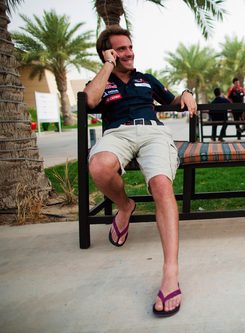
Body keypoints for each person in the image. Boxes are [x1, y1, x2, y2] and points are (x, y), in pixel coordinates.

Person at [83, 27, 196, 318]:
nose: (129, 53)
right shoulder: (101, 81)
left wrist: (186, 93)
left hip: (152, 132)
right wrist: (107, 66)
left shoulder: (146, 79)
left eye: (130, 47)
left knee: (161, 184)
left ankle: (170, 272)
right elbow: (90, 102)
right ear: (107, 53)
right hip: (116, 134)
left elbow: (171, 100)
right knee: (97, 166)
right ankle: (125, 206)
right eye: (120, 49)